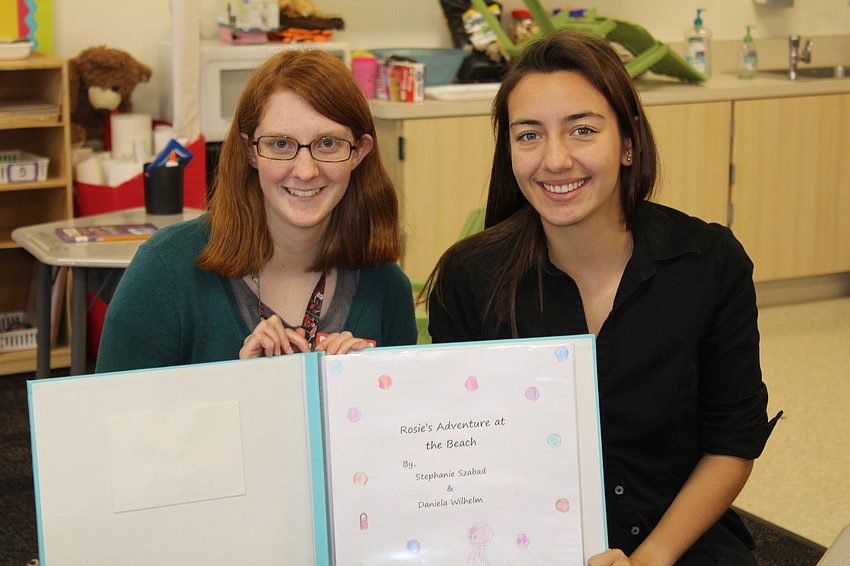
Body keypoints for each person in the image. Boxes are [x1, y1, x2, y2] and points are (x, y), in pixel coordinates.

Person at [426, 30, 780, 565]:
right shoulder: (470, 276)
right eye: (529, 136)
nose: (555, 159)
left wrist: (651, 558)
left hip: (677, 539)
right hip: (522, 544)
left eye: (583, 130)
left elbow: (732, 441)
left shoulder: (707, 263)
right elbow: (457, 451)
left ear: (629, 142)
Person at [96, 49, 417, 373]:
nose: (305, 171)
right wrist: (243, 391)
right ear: (251, 152)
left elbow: (404, 420)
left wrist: (369, 394)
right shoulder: (164, 270)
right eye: (280, 144)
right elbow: (110, 419)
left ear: (358, 152)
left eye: (327, 144)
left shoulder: (387, 290)